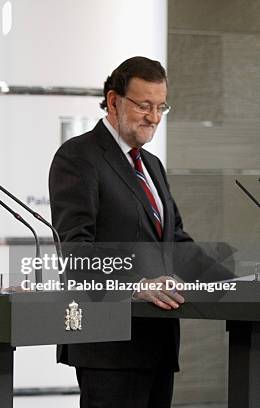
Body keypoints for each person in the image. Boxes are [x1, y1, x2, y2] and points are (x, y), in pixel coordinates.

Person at [48, 56, 232, 408]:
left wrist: (235, 285)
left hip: (157, 344)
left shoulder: (151, 165)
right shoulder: (79, 157)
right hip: (109, 350)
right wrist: (136, 286)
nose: (154, 117)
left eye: (161, 107)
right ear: (114, 100)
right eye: (144, 105)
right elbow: (76, 253)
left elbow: (176, 243)